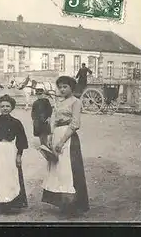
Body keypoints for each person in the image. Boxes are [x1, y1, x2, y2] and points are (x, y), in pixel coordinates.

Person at [41, 76, 89, 216]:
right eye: (60, 87)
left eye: (65, 87)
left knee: (68, 170)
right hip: (56, 135)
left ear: (71, 88)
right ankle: (61, 202)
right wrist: (50, 137)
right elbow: (54, 121)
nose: (62, 89)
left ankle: (71, 205)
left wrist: (62, 141)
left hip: (68, 137)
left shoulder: (76, 102)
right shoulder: (58, 102)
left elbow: (75, 123)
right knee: (57, 169)